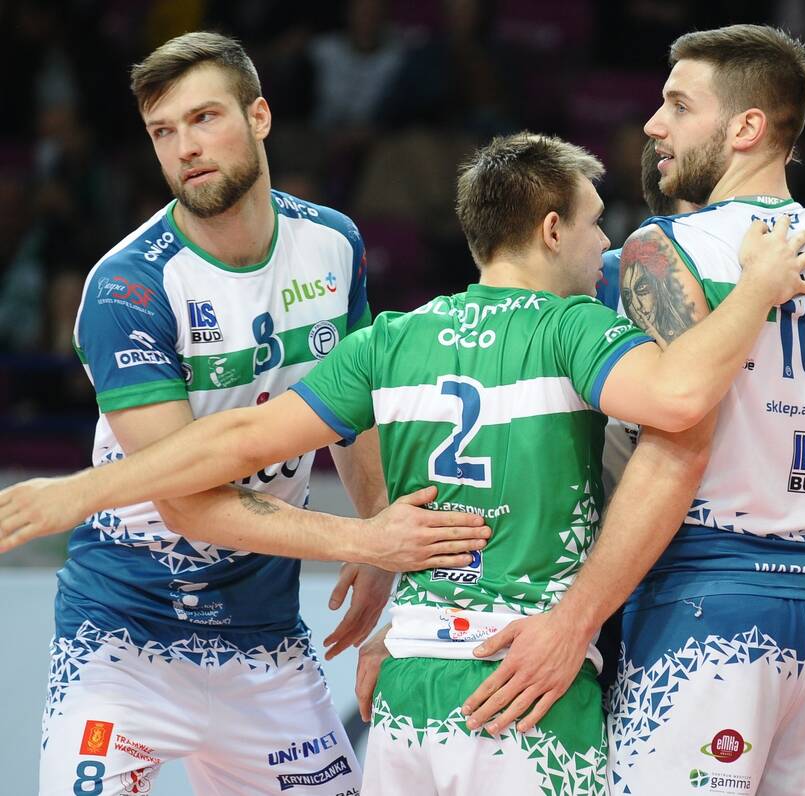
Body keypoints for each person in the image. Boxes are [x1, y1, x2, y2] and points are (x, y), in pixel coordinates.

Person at [0, 132, 805, 795]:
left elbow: (229, 442)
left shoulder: (391, 340)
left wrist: (82, 492)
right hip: (522, 684)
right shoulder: (575, 328)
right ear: (550, 231)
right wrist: (758, 288)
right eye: (593, 223)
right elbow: (680, 398)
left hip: (408, 686)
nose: (603, 243)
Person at [457, 25, 805, 795]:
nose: (655, 125)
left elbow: (674, 448)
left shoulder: (664, 248)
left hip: (703, 607)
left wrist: (576, 619)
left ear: (746, 127)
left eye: (679, 105)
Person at [25, 31, 494, 796]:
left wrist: (377, 530)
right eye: (162, 132)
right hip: (123, 641)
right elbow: (185, 500)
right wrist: (364, 538)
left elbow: (351, 405)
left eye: (204, 118)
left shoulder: (332, 242)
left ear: (260, 117)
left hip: (265, 643)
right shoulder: (128, 287)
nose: (184, 147)